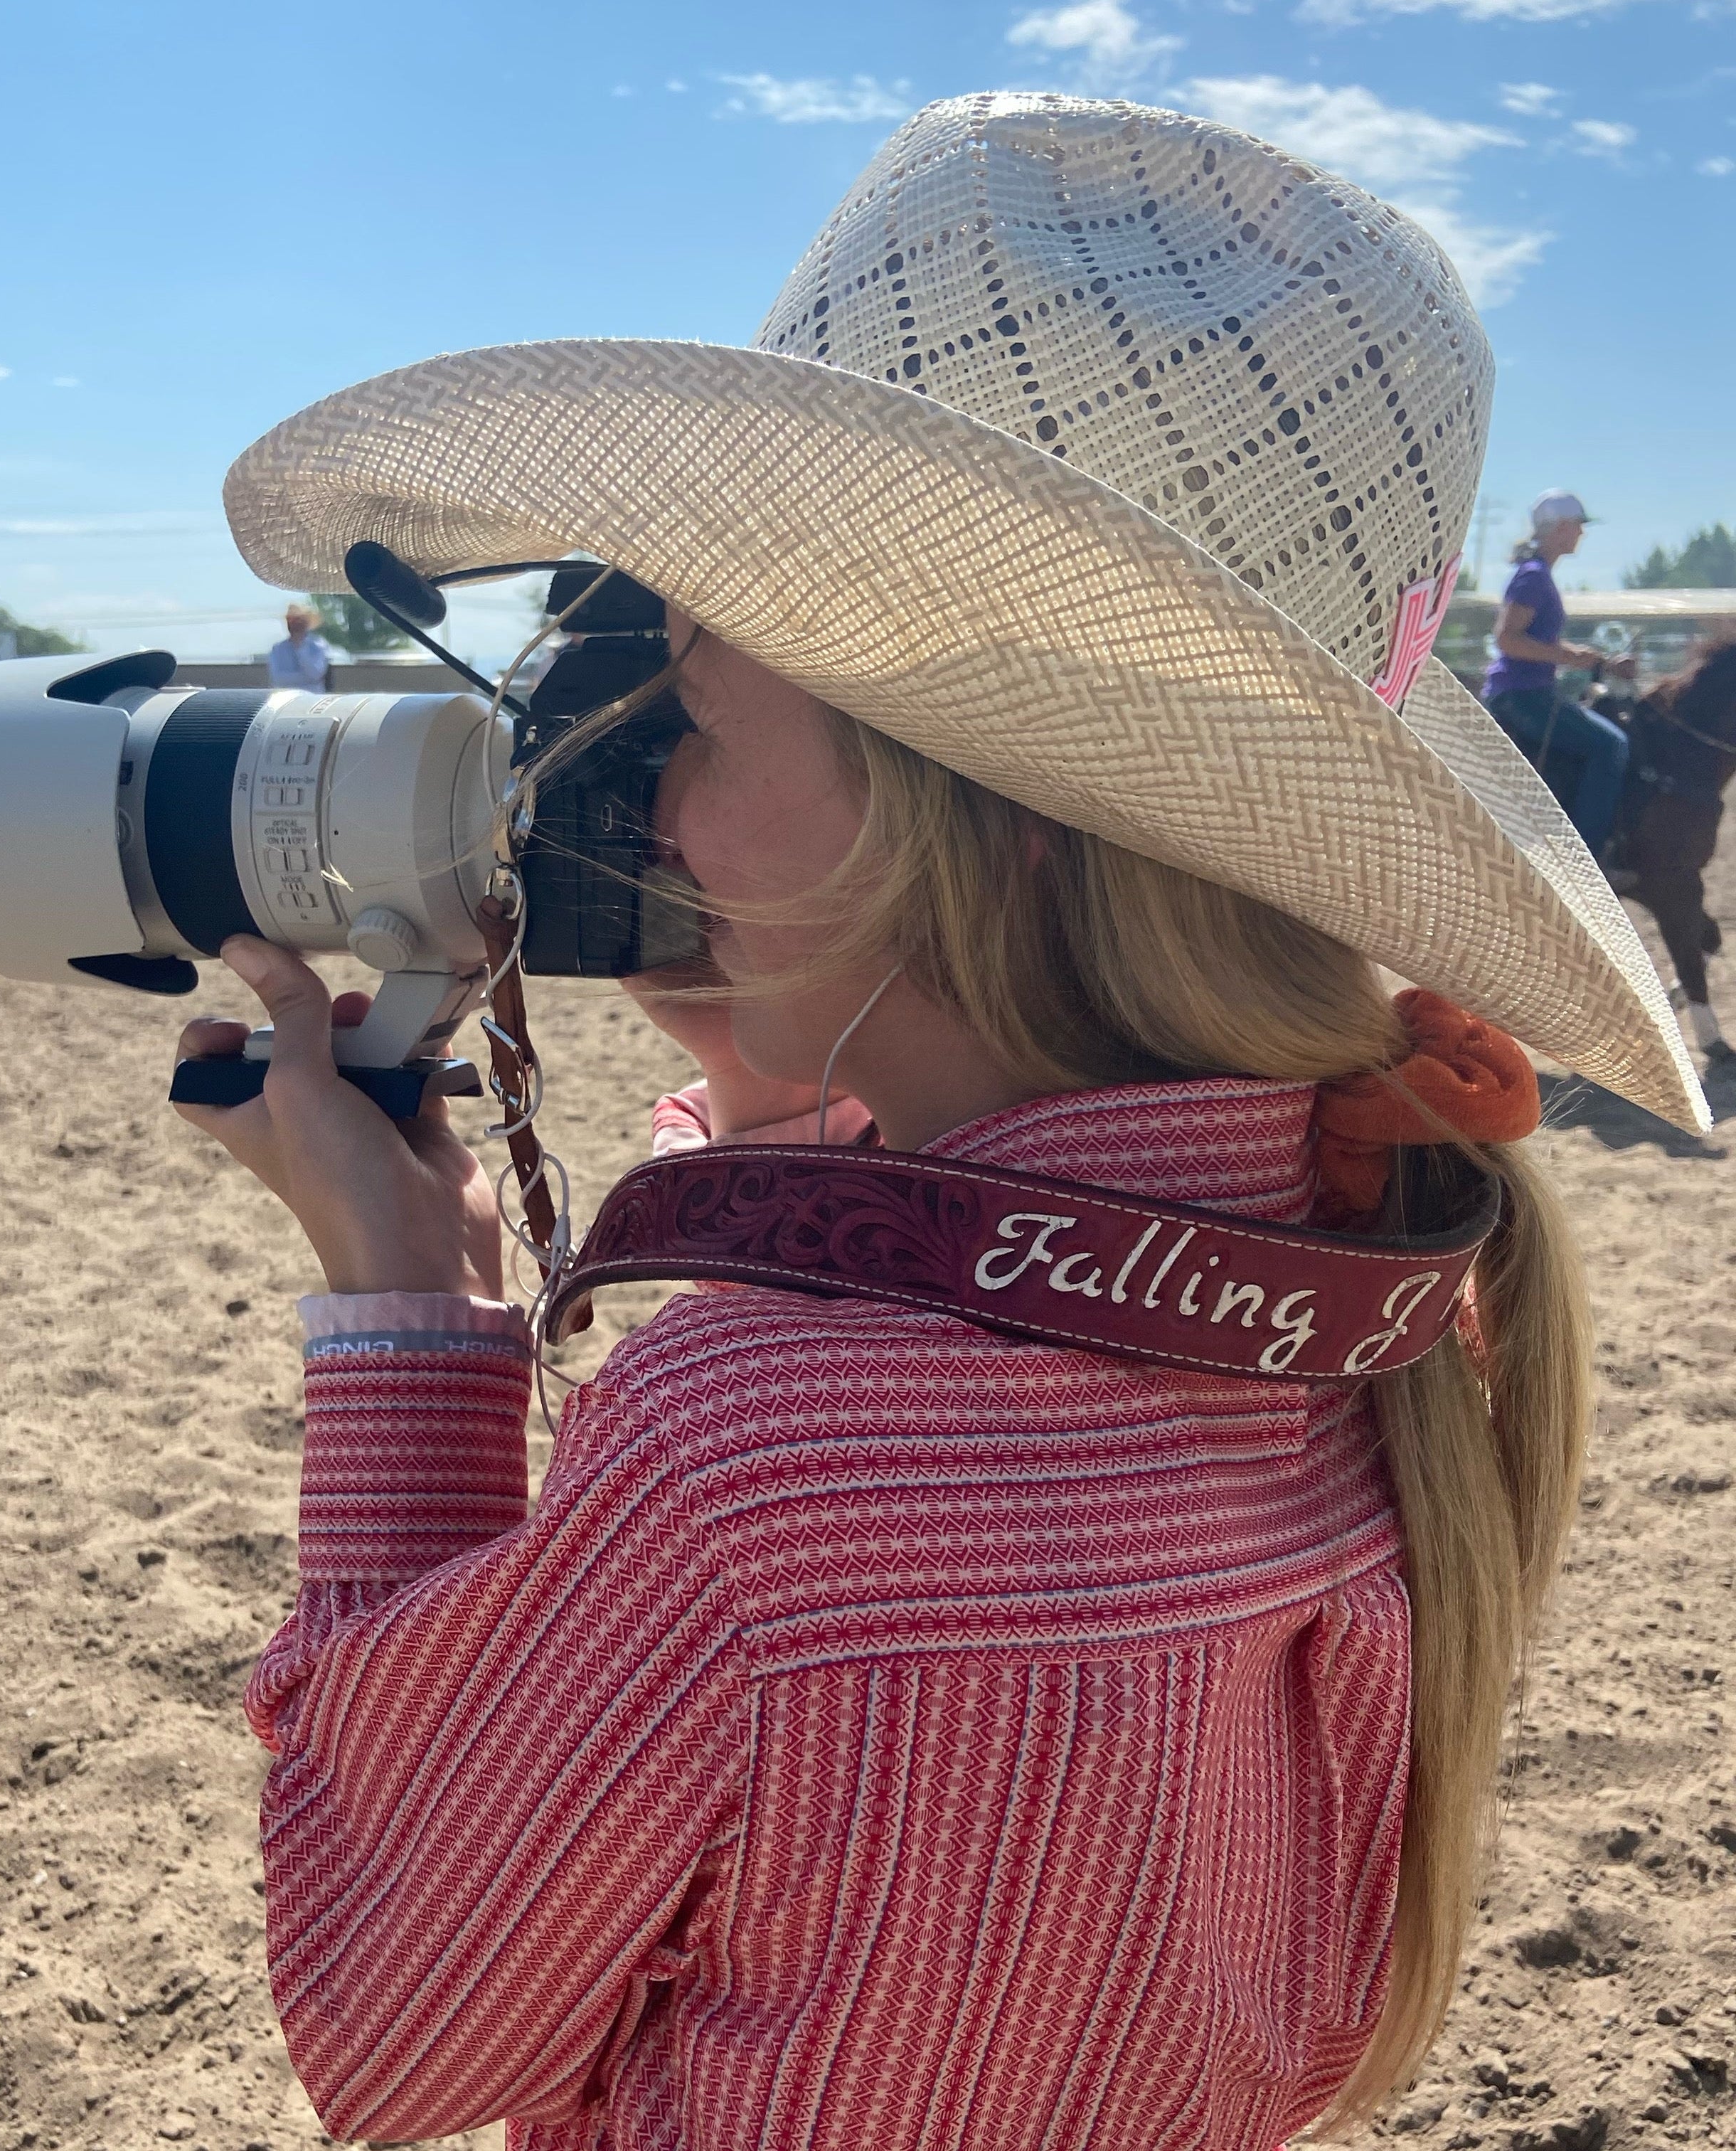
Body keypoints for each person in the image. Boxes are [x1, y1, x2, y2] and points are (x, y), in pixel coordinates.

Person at [180, 96, 1700, 2151]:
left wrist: (404, 1328)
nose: (640, 802)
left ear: (935, 817)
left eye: (689, 719)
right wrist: (774, 1058)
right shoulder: (1391, 1313)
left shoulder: (748, 1454)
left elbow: (392, 2036)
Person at [1481, 491, 1633, 860]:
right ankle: (1587, 859)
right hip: (1523, 696)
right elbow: (1507, 640)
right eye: (1579, 526)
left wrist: (1583, 658)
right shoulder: (1534, 577)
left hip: (1524, 692)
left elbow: (1529, 640)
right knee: (1611, 745)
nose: (1582, 534)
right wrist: (1567, 656)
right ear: (1561, 528)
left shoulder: (1536, 574)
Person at [267, 602, 331, 691]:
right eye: (290, 620)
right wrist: (305, 678)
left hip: (313, 700)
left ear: (306, 622)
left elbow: (316, 674)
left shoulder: (318, 645)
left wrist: (301, 648)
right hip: (287, 700)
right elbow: (278, 679)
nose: (293, 624)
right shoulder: (278, 649)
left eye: (298, 620)